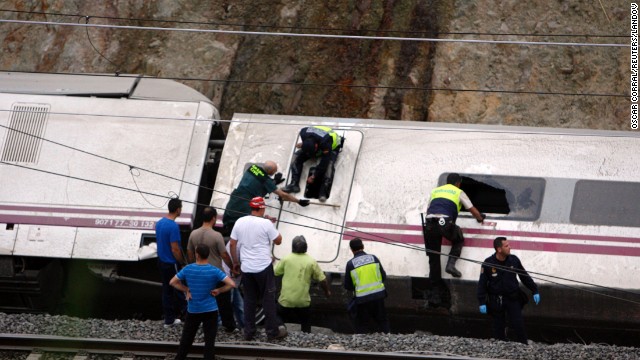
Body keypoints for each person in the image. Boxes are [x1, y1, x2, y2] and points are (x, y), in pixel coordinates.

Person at [230, 196, 287, 341]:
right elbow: (279, 241)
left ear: (251, 207)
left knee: (249, 300)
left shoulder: (240, 222)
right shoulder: (266, 223)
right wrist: (270, 225)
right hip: (263, 267)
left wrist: (235, 263)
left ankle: (248, 332)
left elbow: (232, 244)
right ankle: (272, 332)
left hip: (246, 268)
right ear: (261, 208)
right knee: (268, 299)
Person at [170, 244, 235, 360]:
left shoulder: (188, 269)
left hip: (193, 309)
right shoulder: (214, 270)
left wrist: (186, 289)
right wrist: (219, 290)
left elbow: (172, 282)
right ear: (208, 255)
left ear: (197, 254)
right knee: (209, 341)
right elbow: (232, 284)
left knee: (186, 340)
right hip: (211, 310)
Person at [477, 237, 541, 344]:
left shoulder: (514, 260)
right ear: (499, 249)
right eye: (506, 246)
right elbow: (482, 284)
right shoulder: (488, 263)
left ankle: (523, 344)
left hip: (512, 298)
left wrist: (535, 290)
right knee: (498, 326)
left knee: (518, 323)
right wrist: (481, 302)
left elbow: (524, 276)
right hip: (496, 299)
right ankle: (501, 344)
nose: (509, 247)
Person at [423, 173, 486, 279]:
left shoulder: (436, 191)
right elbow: (471, 209)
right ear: (458, 183)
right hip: (444, 222)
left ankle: (435, 285)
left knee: (434, 256)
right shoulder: (458, 192)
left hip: (429, 223)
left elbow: (429, 208)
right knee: (458, 239)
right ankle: (450, 265)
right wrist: (480, 218)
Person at [222, 161, 309, 235]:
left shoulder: (252, 167)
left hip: (236, 197)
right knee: (240, 225)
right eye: (274, 171)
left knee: (231, 217)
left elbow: (256, 179)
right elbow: (283, 195)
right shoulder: (266, 181)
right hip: (245, 203)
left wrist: (273, 182)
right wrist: (298, 201)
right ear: (271, 171)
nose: (274, 173)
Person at [187, 206, 236, 332]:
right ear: (214, 218)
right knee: (224, 299)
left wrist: (193, 265)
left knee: (202, 298)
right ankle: (229, 325)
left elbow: (190, 252)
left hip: (199, 271)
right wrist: (233, 267)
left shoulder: (193, 234)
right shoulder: (217, 236)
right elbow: (224, 255)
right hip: (215, 272)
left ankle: (201, 323)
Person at [274, 235, 331, 333]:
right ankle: (306, 333)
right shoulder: (311, 261)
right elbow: (323, 280)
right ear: (306, 247)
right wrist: (327, 292)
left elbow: (275, 272)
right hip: (303, 302)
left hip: (286, 300)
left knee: (275, 312)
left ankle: (280, 326)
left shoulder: (286, 259)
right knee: (306, 319)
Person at [282, 126, 343, 202]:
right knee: (296, 158)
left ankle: (324, 191)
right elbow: (307, 144)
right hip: (315, 143)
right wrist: (303, 145)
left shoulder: (326, 142)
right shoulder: (303, 132)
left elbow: (324, 163)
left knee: (329, 166)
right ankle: (294, 184)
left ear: (316, 146)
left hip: (332, 147)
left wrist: (314, 176)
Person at [343, 237, 390, 334]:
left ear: (351, 250)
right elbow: (383, 276)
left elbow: (348, 286)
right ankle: (386, 336)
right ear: (363, 247)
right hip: (378, 296)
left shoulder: (350, 264)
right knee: (382, 320)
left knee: (361, 324)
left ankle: (363, 344)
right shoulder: (374, 258)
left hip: (362, 300)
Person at [156, 197, 188, 327]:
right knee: (179, 289)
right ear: (177, 209)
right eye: (181, 207)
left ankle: (169, 320)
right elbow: (175, 248)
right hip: (171, 262)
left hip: (161, 261)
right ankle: (189, 315)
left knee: (167, 290)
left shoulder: (159, 223)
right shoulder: (173, 226)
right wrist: (182, 262)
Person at [223, 240, 245, 330]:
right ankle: (223, 326)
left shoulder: (236, 241)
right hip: (230, 277)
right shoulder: (240, 242)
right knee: (228, 304)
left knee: (238, 305)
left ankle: (243, 326)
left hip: (232, 278)